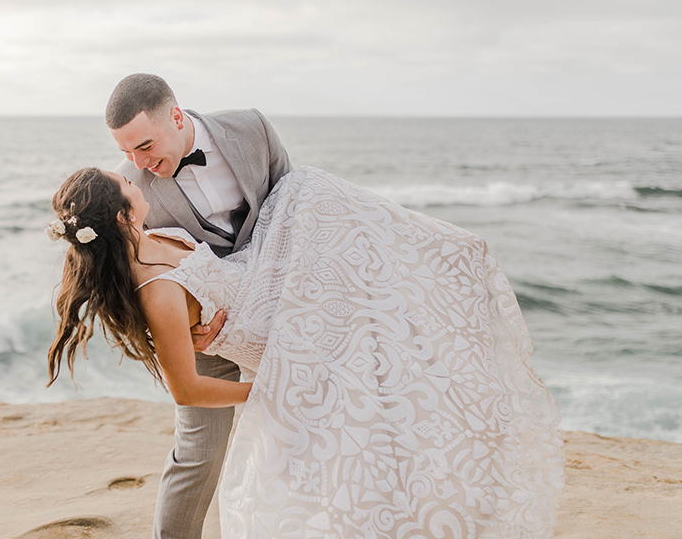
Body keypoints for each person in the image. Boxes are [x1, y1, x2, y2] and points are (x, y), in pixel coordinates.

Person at [46, 168, 564, 536]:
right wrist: (270, 390)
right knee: (366, 391)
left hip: (274, 302)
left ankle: (451, 259)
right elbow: (187, 387)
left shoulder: (150, 236)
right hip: (272, 340)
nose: (137, 180)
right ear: (118, 214)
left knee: (314, 200)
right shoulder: (153, 290)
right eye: (127, 185)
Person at [103, 73, 292, 539]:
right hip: (206, 333)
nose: (138, 162)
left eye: (145, 146)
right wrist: (180, 327)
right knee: (198, 455)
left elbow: (294, 211)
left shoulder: (253, 129)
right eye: (126, 152)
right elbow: (132, 275)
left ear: (175, 114)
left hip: (283, 313)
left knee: (303, 433)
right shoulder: (130, 186)